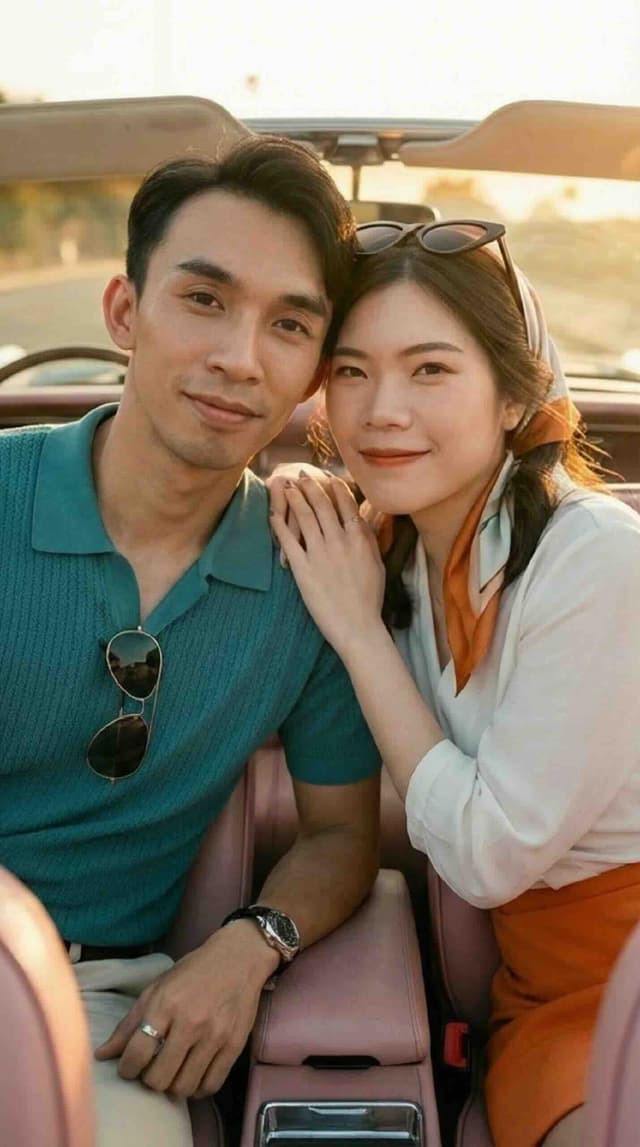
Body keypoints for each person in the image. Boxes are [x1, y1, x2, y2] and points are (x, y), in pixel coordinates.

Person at [0, 138, 381, 1146]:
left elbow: (342, 835)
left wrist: (251, 943)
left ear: (314, 370)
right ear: (126, 312)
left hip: (104, 1010)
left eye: (288, 324)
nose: (239, 358)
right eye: (204, 299)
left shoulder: (315, 577)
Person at [268, 219, 640, 1147]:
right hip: (547, 995)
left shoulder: (591, 557)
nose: (381, 410)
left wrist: (356, 630)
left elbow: (485, 852)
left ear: (513, 395)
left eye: (430, 369)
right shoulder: (399, 556)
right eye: (350, 371)